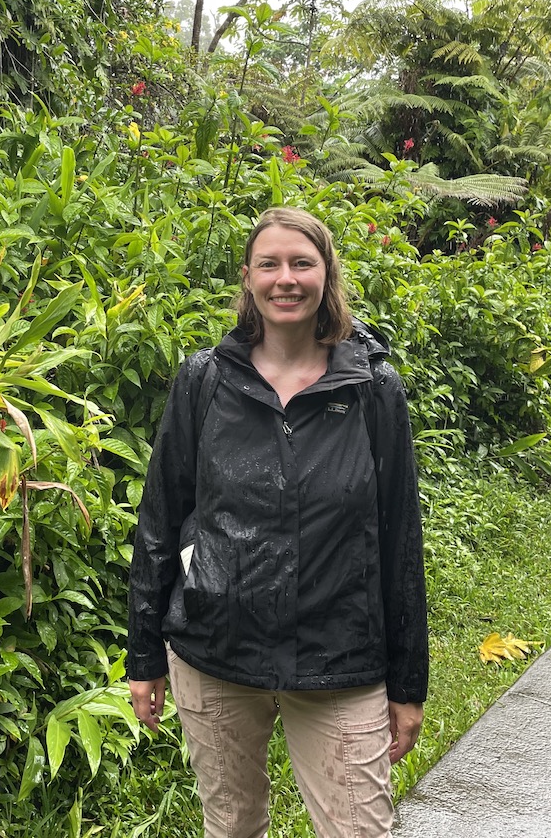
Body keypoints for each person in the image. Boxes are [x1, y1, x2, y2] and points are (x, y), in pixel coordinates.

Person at [127, 206, 428, 838]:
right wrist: (144, 654)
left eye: (301, 263)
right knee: (232, 825)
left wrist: (407, 684)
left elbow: (400, 541)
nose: (284, 278)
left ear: (327, 275)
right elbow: (161, 521)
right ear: (247, 278)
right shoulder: (204, 381)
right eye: (269, 264)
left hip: (340, 658)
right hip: (216, 651)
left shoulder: (372, 390)